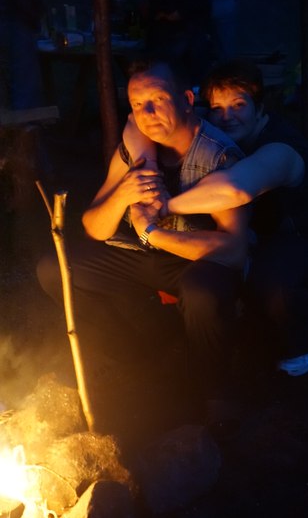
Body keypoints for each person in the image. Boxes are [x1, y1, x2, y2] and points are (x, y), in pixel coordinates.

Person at [37, 55, 248, 435]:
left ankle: (217, 394)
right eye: (137, 104)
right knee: (55, 269)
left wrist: (152, 231)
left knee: (203, 290)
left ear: (186, 99)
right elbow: (93, 227)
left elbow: (234, 250)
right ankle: (135, 356)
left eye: (158, 99)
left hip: (192, 261)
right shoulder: (135, 150)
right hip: (140, 256)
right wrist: (123, 195)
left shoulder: (217, 154)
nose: (147, 113)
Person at [165, 59, 308, 377]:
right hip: (250, 232)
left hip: (298, 240)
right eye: (217, 108)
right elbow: (136, 121)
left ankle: (303, 334)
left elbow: (235, 189)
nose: (226, 116)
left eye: (238, 105)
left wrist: (164, 206)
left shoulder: (282, 148)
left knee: (273, 283)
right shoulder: (219, 131)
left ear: (259, 107)